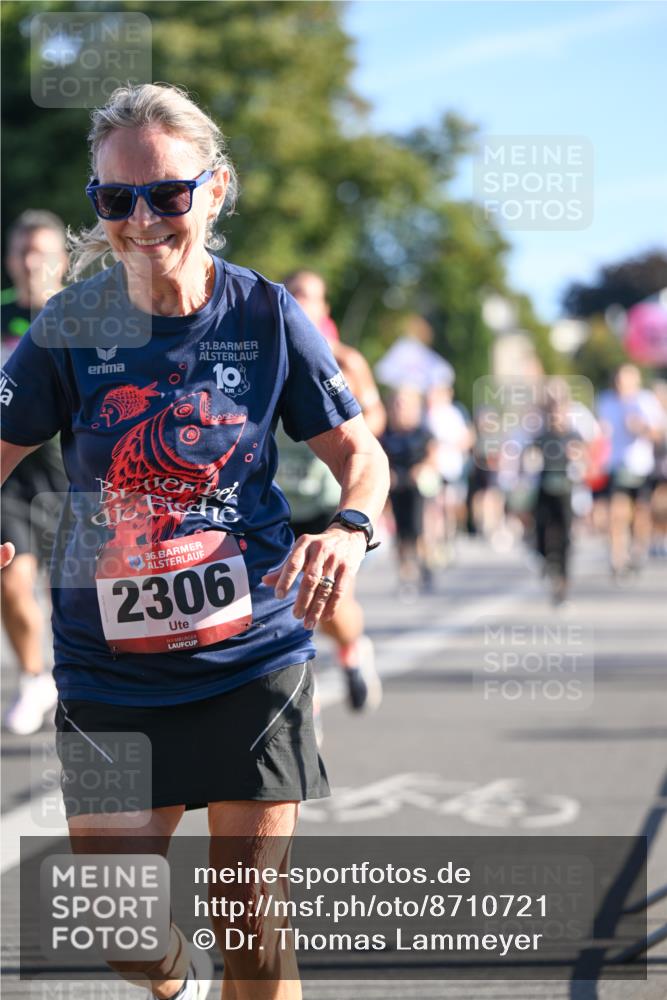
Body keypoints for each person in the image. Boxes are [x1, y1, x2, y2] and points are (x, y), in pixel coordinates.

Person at [0, 83, 389, 1000]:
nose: (142, 219)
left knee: (249, 926)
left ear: (214, 191)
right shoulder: (69, 326)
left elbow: (359, 453)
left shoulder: (264, 316)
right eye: (115, 198)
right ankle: (174, 984)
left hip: (250, 649)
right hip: (110, 666)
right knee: (125, 931)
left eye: (167, 194)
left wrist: (348, 526)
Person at [276, 269, 385, 714]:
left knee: (329, 605)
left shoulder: (345, 360)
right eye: (294, 295)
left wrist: (333, 433)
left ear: (324, 309)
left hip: (327, 500)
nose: (303, 303)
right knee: (282, 609)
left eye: (311, 297)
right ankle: (305, 706)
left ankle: (354, 649)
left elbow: (372, 426)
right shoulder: (262, 355)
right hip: (278, 500)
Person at [1, 210, 69, 735]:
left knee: (78, 598)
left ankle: (81, 686)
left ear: (63, 262)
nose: (32, 263)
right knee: (12, 580)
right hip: (13, 479)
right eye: (24, 252)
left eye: (43, 253)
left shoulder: (88, 317)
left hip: (73, 476)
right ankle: (31, 677)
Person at [597, 364, 664, 576]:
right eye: (618, 380)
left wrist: (641, 428)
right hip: (617, 464)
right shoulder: (606, 400)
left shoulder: (645, 400)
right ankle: (618, 557)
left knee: (642, 514)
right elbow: (601, 431)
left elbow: (658, 434)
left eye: (626, 380)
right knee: (617, 513)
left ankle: (638, 548)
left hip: (641, 466)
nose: (621, 384)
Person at [380, 385, 438, 599]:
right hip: (396, 486)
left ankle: (425, 565)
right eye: (396, 404)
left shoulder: (422, 433)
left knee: (419, 531)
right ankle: (405, 575)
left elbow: (433, 456)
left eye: (403, 404)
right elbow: (379, 456)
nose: (399, 409)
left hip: (418, 488)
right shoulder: (386, 433)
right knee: (401, 534)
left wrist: (423, 468)